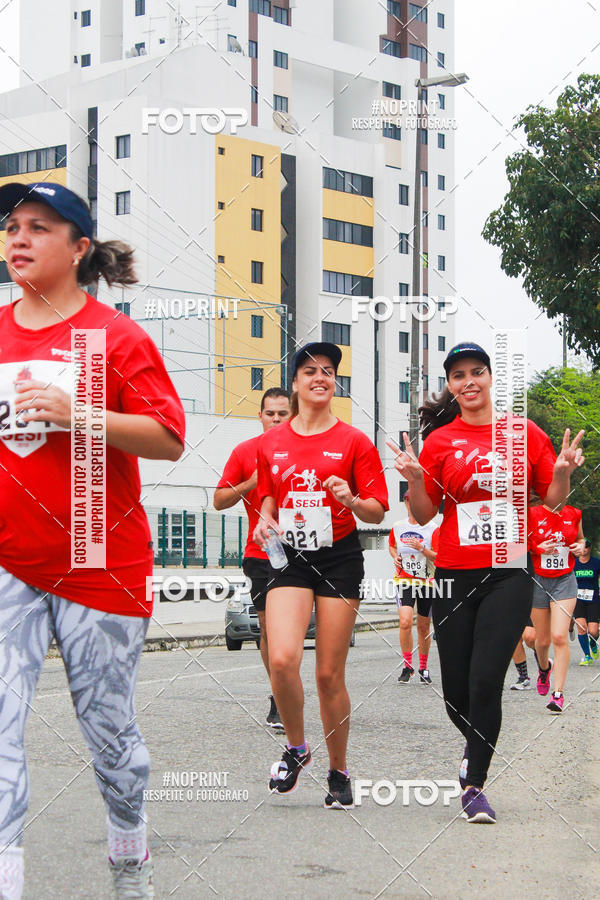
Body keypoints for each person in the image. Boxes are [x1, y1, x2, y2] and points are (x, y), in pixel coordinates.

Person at [0, 182, 186, 899]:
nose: (18, 239)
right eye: (12, 227)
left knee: (111, 742)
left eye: (38, 228)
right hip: (10, 562)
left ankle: (128, 857)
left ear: (79, 248)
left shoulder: (114, 336)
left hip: (96, 561)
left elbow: (169, 437)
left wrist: (81, 416)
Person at [389, 341, 584, 824]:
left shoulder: (524, 433)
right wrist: (415, 478)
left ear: (492, 377)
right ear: (451, 386)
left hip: (509, 574)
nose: (469, 381)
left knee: (485, 679)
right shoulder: (439, 442)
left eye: (477, 371)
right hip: (453, 573)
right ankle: (473, 749)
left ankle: (474, 783)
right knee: (457, 691)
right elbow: (424, 512)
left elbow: (552, 499)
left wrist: (560, 474)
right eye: (459, 375)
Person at [253, 342, 388, 809]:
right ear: (295, 383)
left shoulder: (354, 441)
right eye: (310, 370)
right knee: (282, 659)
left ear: (335, 383)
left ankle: (339, 769)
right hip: (289, 558)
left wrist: (349, 498)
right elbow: (269, 495)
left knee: (329, 672)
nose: (320, 377)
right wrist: (265, 518)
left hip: (339, 558)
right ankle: (296, 745)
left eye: (328, 371)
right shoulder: (271, 442)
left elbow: (375, 509)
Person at [214, 387, 291, 729]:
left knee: (289, 632)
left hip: (304, 553)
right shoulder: (245, 452)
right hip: (261, 553)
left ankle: (291, 691)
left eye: (282, 413)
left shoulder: (305, 449)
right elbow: (219, 500)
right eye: (270, 413)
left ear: (293, 415)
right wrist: (251, 481)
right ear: (259, 416)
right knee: (270, 632)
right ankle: (279, 697)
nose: (276, 419)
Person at [529, 503, 583, 711]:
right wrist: (537, 548)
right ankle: (544, 668)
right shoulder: (531, 513)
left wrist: (580, 545)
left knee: (559, 636)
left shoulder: (574, 513)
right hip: (537, 581)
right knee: (541, 641)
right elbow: (517, 544)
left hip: (565, 581)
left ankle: (558, 694)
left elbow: (580, 539)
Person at [388, 492, 438, 684]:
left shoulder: (432, 528)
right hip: (404, 580)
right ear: (405, 503)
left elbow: (438, 556)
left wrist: (422, 549)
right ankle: (407, 666)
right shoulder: (398, 527)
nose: (411, 504)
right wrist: (395, 556)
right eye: (408, 500)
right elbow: (392, 546)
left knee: (423, 625)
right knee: (405, 621)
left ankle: (423, 667)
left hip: (426, 581)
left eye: (415, 500)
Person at [573, 539, 600, 665]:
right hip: (578, 600)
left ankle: (593, 643)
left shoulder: (596, 563)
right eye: (581, 547)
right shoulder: (573, 563)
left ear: (589, 549)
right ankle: (587, 656)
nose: (584, 549)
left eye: (586, 547)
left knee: (593, 631)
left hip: (593, 599)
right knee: (582, 628)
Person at [510, 619, 536, 690]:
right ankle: (523, 678)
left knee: (529, 637)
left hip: (533, 609)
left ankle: (543, 661)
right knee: (513, 635)